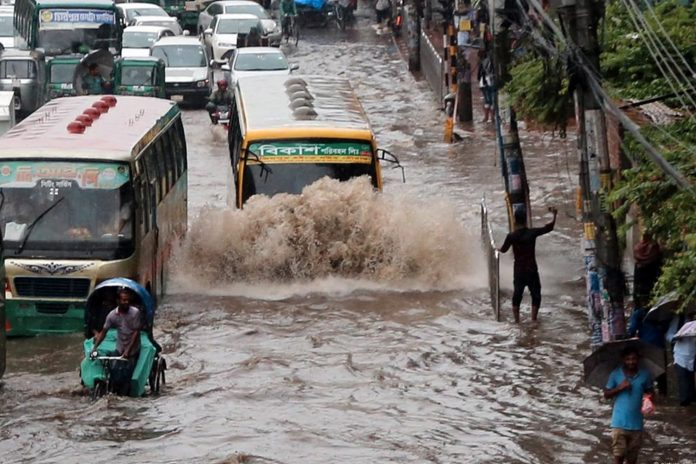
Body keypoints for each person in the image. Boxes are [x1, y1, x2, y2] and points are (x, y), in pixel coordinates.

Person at [497, 206, 557, 323]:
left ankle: (517, 321)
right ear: (526, 220)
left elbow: (503, 250)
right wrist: (554, 215)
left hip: (519, 270)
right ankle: (533, 320)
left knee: (517, 295)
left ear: (515, 220)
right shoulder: (532, 233)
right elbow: (549, 228)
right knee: (536, 295)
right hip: (531, 269)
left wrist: (496, 248)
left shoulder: (511, 236)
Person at [603, 347, 654, 464]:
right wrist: (620, 387)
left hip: (637, 424)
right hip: (619, 423)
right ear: (623, 360)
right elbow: (606, 394)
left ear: (638, 359)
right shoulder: (616, 374)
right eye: (628, 359)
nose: (631, 362)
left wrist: (648, 399)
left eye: (634, 359)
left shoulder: (645, 375)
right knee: (618, 456)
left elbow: (650, 391)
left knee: (632, 459)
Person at [90, 288, 142, 395]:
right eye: (123, 300)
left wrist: (128, 350)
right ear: (118, 301)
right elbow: (103, 332)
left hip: (132, 349)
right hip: (120, 347)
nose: (126, 302)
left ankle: (124, 394)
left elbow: (136, 333)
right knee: (112, 369)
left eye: (127, 300)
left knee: (126, 374)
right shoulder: (112, 315)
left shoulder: (135, 313)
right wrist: (94, 348)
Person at [667, 312, 696, 406]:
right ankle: (685, 405)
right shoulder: (678, 319)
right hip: (680, 355)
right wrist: (676, 337)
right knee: (683, 380)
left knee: (692, 382)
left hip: (694, 354)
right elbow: (669, 335)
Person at [633, 233, 662, 305]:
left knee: (640, 309)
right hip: (651, 285)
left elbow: (636, 276)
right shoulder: (654, 249)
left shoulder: (637, 249)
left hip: (640, 286)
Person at [477, 48, 495, 123]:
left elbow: (479, 74)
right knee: (491, 100)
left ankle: (487, 117)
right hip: (491, 82)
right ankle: (491, 118)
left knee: (487, 101)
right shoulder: (491, 61)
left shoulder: (483, 62)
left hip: (485, 83)